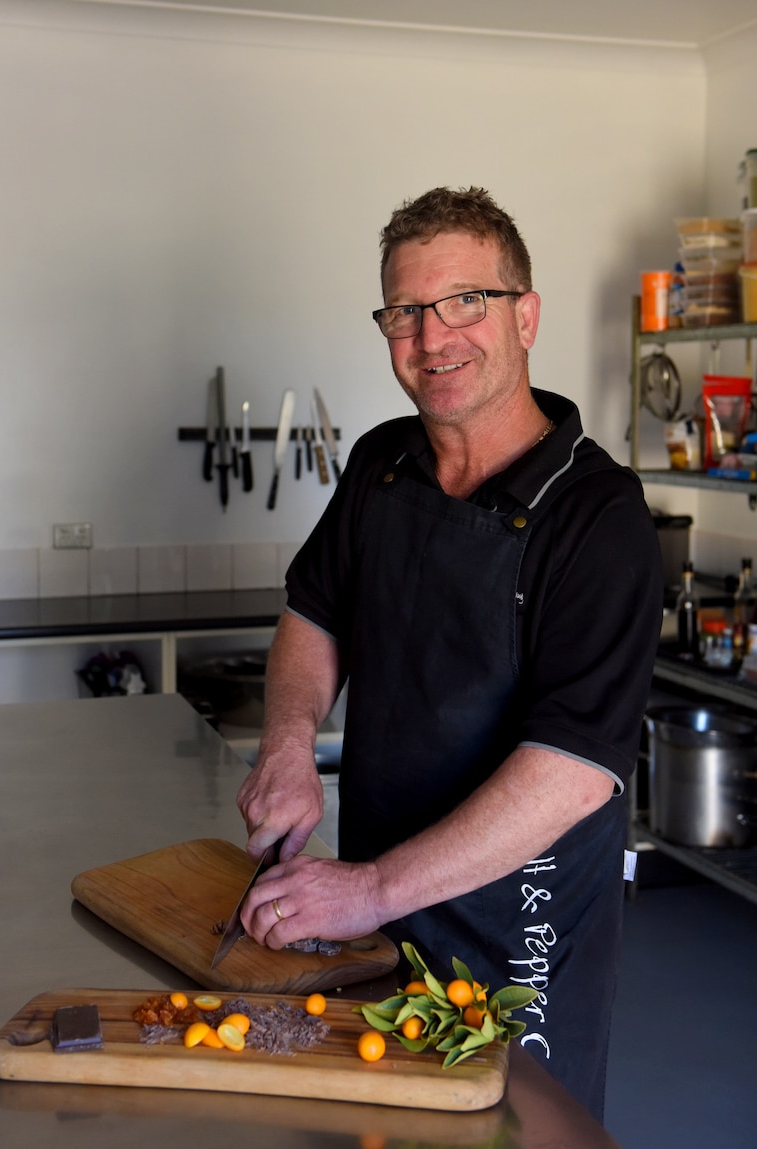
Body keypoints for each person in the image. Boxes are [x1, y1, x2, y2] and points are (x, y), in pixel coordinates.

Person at [237, 186, 663, 1119]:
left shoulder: (600, 518)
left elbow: (574, 769)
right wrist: (287, 740)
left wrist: (371, 887)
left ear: (525, 315)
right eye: (405, 312)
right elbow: (315, 613)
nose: (434, 338)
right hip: (369, 917)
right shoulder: (382, 464)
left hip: (519, 938)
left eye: (465, 300)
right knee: (376, 1128)